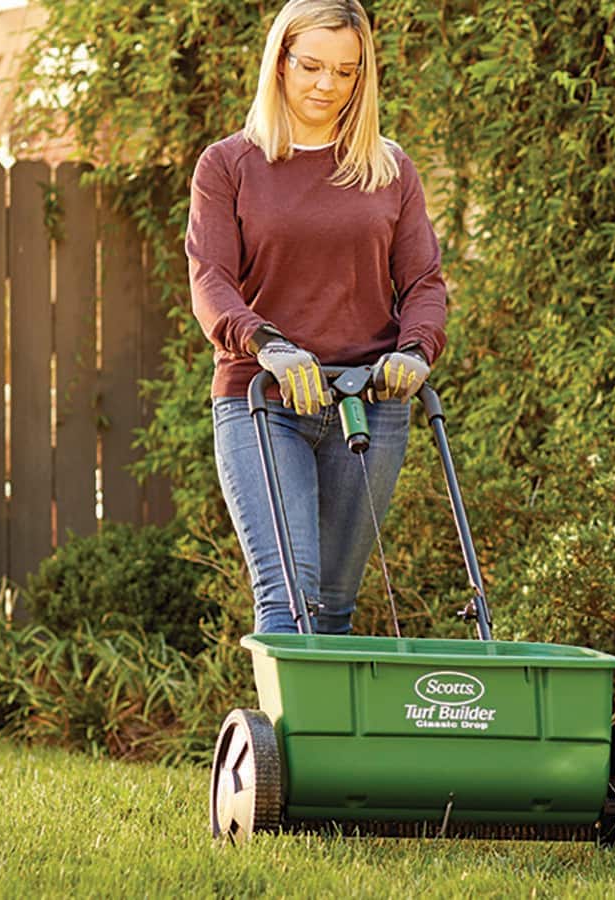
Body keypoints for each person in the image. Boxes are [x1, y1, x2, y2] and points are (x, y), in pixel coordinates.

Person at [186, 0, 447, 634]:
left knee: (333, 608)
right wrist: (269, 345)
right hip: (264, 399)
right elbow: (211, 279)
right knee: (289, 599)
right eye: (311, 66)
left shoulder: (388, 168)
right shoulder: (228, 165)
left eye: (345, 71)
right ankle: (289, 705)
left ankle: (322, 707)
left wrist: (415, 350)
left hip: (369, 403)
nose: (327, 85)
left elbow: (423, 282)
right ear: (280, 62)